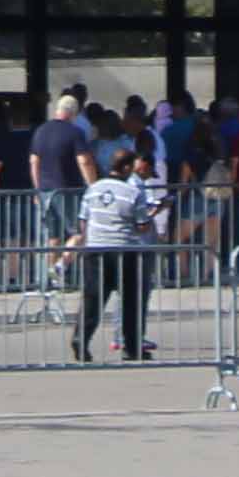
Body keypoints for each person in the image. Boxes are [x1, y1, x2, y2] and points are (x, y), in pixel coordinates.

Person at [66, 137, 161, 364]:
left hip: (96, 249)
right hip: (125, 252)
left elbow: (83, 222)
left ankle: (81, 339)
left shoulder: (93, 189)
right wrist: (154, 213)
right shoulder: (132, 192)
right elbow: (141, 226)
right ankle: (132, 347)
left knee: (92, 299)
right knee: (131, 301)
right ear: (127, 167)